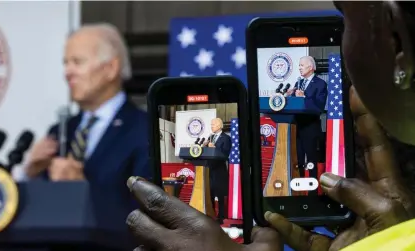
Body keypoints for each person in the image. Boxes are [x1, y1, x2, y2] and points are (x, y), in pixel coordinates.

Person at [126, 1, 415, 251]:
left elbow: (315, 104)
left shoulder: (315, 86)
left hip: (309, 128)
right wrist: (389, 240)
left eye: (345, 13)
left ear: (396, 39)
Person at [25, 23, 151, 186]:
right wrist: (31, 173)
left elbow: (149, 204)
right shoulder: (59, 132)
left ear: (111, 68)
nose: (68, 72)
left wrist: (80, 189)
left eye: (77, 62)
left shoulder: (146, 130)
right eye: (66, 63)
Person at [286, 56, 327, 181]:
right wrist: (288, 96)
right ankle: (299, 188)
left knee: (311, 160)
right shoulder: (298, 83)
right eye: (299, 65)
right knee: (297, 160)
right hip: (296, 127)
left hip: (310, 127)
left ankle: (312, 191)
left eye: (302, 65)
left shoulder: (320, 84)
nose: (299, 68)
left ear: (310, 67)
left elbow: (319, 107)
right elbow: (293, 105)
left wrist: (305, 97)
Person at [203, 118, 232, 222]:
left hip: (219, 170)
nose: (212, 126)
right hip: (209, 169)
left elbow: (225, 154)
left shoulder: (226, 138)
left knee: (220, 194)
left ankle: (221, 216)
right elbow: (207, 152)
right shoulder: (210, 137)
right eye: (211, 124)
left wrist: (214, 148)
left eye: (213, 124)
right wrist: (204, 146)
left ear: (220, 125)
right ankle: (211, 215)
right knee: (209, 192)